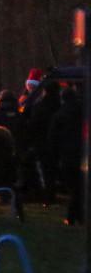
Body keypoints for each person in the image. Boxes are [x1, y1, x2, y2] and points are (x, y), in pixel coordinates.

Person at [48, 87, 84, 225]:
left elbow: (53, 139)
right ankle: (78, 216)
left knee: (74, 188)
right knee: (79, 187)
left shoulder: (59, 115)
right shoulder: (82, 112)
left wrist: (54, 157)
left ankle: (71, 217)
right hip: (82, 154)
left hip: (67, 156)